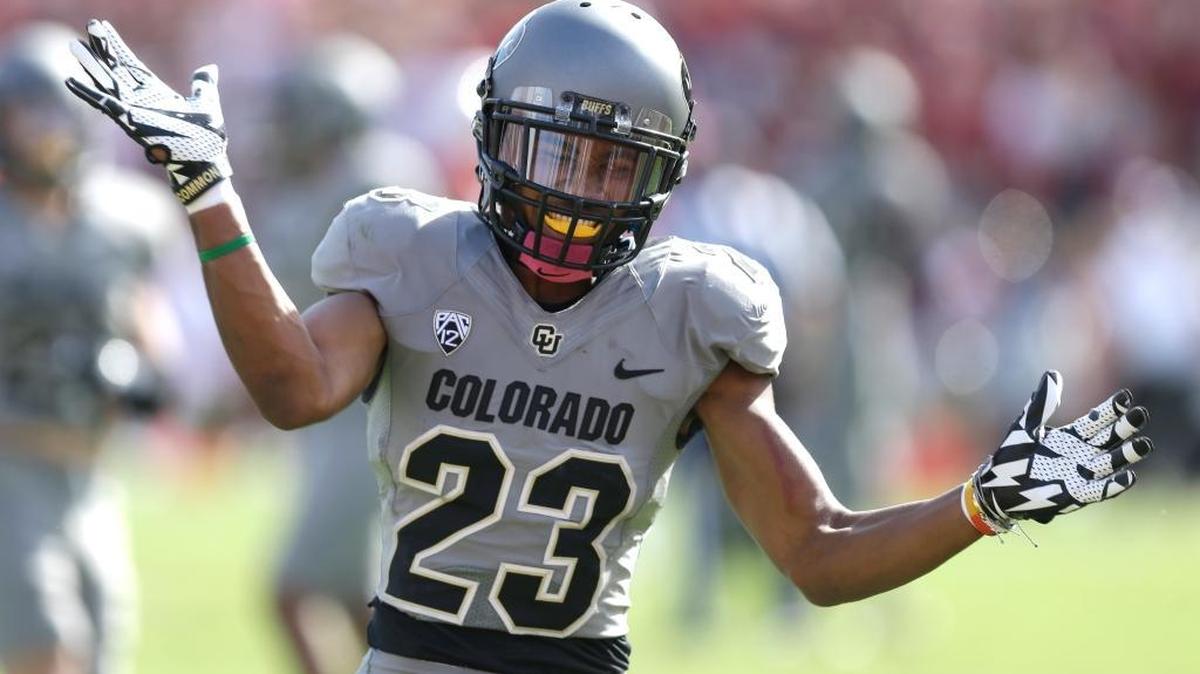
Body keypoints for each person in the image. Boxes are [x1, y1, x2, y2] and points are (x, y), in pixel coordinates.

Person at [63, 3, 1157, 673]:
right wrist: (207, 191)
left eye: (612, 166)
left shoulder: (692, 310)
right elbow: (293, 387)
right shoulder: (414, 254)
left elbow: (817, 550)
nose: (575, 197)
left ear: (663, 178)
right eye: (552, 152)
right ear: (493, 139)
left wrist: (978, 504)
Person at [249, 34, 445, 674]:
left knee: (291, 589)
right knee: (348, 592)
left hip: (366, 404)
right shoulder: (309, 187)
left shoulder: (373, 174)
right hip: (340, 408)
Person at [0, 22, 179, 674]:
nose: (46, 130)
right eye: (30, 113)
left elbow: (143, 309)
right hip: (10, 460)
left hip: (93, 467)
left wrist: (148, 368)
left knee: (105, 644)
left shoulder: (123, 216)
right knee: (46, 644)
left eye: (58, 112)